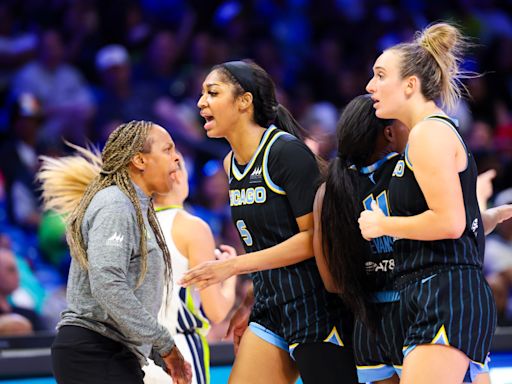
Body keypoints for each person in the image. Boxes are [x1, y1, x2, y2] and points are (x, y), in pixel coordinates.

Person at [314, 94, 512, 384]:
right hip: (417, 306)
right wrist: (478, 203)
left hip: (369, 324)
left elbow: (333, 282)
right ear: (390, 133)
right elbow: (446, 226)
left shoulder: (331, 188)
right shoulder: (408, 170)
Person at [182, 60, 357, 384]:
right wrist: (250, 299)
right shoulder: (230, 163)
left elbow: (309, 239)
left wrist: (234, 267)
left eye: (212, 92)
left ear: (244, 101)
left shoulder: (286, 153)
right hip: (270, 306)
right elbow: (264, 242)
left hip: (316, 307)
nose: (201, 102)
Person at [358, 22, 496, 384]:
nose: (370, 86)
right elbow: (458, 218)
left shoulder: (428, 133)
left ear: (410, 85)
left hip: (445, 293)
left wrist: (383, 225)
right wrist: (485, 217)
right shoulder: (428, 133)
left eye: (379, 75)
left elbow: (449, 222)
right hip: (434, 291)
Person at [37, 120, 192, 384]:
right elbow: (107, 284)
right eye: (167, 149)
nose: (176, 158)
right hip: (95, 351)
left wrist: (154, 350)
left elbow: (130, 294)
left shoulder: (135, 207)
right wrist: (165, 344)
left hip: (109, 351)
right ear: (139, 160)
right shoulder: (116, 204)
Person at [143, 153, 236, 384]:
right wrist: (230, 272)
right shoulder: (193, 227)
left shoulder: (133, 224)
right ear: (176, 175)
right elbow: (217, 312)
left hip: (139, 353)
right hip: (180, 350)